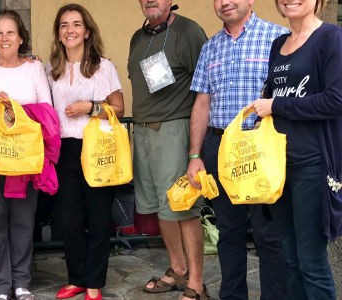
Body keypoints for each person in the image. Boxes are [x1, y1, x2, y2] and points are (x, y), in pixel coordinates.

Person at [248, 0, 342, 298]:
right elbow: (273, 97)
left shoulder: (330, 38)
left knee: (311, 261)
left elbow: (338, 100)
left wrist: (277, 105)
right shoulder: (278, 44)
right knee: (290, 258)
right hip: (278, 165)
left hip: (313, 165)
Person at [186, 1, 289, 299]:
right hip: (220, 149)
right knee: (228, 233)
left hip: (260, 149)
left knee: (268, 235)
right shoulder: (210, 47)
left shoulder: (277, 38)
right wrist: (195, 156)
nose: (224, 2)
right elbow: (202, 104)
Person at [128, 0, 208, 299]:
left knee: (183, 206)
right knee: (162, 208)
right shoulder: (139, 37)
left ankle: (197, 284)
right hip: (145, 131)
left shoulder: (188, 32)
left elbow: (204, 89)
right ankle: (178, 269)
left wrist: (194, 149)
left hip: (175, 129)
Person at [0, 10, 53, 300]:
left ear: (21, 38)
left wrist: (17, 111)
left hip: (23, 156)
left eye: (10, 32)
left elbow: (46, 110)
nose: (4, 38)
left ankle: (21, 283)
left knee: (22, 220)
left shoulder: (34, 68)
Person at [46, 4, 124, 300]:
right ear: (58, 33)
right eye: (64, 25)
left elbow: (119, 108)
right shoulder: (49, 70)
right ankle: (76, 277)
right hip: (64, 150)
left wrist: (90, 108)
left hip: (97, 148)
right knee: (68, 219)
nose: (70, 30)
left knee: (99, 218)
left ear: (87, 31)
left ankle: (94, 281)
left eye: (77, 24)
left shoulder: (103, 67)